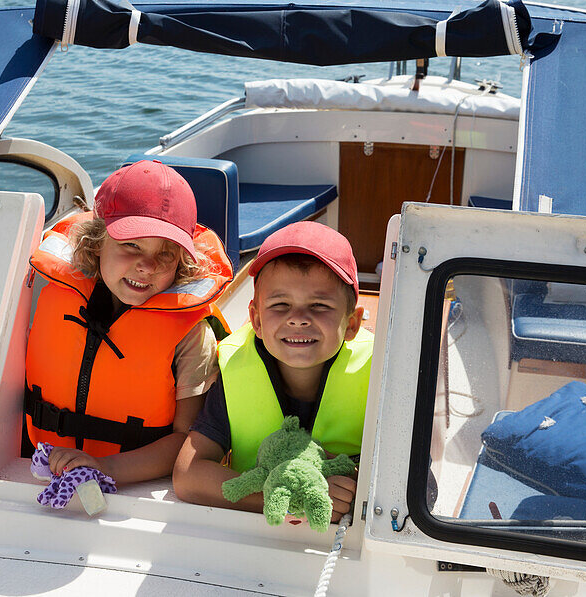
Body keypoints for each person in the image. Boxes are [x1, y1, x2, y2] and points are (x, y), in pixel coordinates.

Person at [24, 159, 233, 485]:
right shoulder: (48, 291)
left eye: (165, 253)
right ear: (96, 242)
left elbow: (188, 439)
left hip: (141, 487)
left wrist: (104, 468)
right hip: (40, 466)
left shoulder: (193, 333)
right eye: (131, 245)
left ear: (181, 263)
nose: (146, 266)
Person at [172, 221, 373, 524]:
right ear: (256, 319)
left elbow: (419, 484)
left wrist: (357, 489)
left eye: (319, 305)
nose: (299, 319)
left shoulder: (378, 374)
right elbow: (188, 475)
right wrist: (294, 497)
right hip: (259, 534)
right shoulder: (236, 370)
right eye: (280, 304)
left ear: (353, 324)